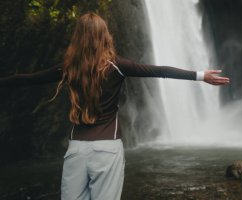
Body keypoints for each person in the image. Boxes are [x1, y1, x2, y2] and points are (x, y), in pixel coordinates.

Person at [0, 12, 229, 199]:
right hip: (107, 149)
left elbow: (27, 78)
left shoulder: (68, 69)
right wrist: (200, 75)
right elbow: (159, 71)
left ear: (77, 38)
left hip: (76, 150)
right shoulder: (117, 66)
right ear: (104, 36)